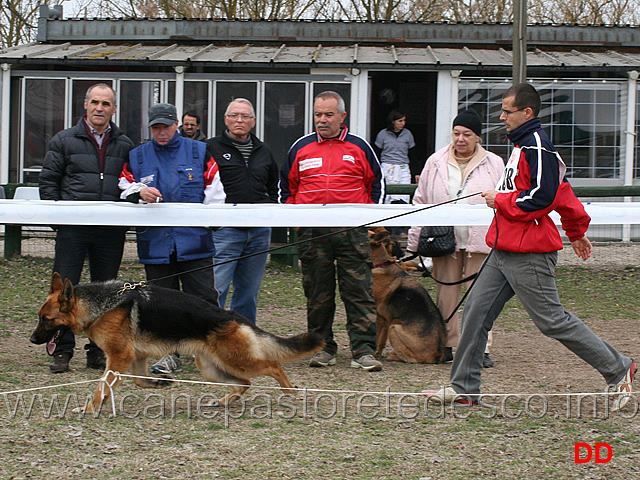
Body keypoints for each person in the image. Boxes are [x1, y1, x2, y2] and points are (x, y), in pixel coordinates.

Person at [424, 83, 635, 411]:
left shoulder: (536, 147)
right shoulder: (525, 146)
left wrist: (500, 200)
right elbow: (562, 192)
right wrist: (576, 231)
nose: (502, 116)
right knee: (476, 314)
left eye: (507, 110)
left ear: (527, 113)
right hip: (504, 249)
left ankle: (619, 367)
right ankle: (464, 387)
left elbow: (541, 198)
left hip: (530, 252)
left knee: (552, 320)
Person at [279, 90, 384, 372]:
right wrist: (296, 221)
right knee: (317, 294)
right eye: (317, 114)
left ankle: (363, 351)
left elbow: (376, 185)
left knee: (358, 292)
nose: (322, 120)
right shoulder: (300, 147)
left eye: (328, 114)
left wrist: (367, 219)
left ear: (342, 116)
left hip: (352, 232)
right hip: (313, 233)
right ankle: (322, 348)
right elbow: (287, 188)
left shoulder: (360, 146)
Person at [119, 103, 226, 374]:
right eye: (156, 127)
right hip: (156, 244)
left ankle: (216, 351)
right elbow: (122, 185)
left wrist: (210, 224)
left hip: (195, 244)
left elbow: (215, 191)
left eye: (166, 126)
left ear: (177, 124)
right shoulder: (137, 156)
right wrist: (139, 192)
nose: (161, 132)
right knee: (159, 303)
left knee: (204, 299)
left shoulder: (199, 151)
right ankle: (167, 354)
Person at [39, 83, 134, 374]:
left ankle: (98, 351)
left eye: (106, 104)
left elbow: (131, 184)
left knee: (106, 294)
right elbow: (48, 183)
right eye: (95, 102)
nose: (100, 108)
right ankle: (62, 351)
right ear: (85, 105)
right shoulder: (64, 139)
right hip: (73, 230)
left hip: (109, 231)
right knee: (63, 293)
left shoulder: (125, 144)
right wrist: (61, 223)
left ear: (114, 109)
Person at [407, 109, 504, 368]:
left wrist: (502, 238)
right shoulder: (436, 161)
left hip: (481, 241)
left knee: (480, 297)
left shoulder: (495, 163)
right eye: (457, 133)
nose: (460, 139)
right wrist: (414, 240)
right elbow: (422, 200)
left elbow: (505, 199)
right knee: (446, 295)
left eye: (467, 134)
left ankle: (479, 347)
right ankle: (447, 344)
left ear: (478, 137)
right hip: (443, 240)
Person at [205, 98, 278, 323]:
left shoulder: (264, 151)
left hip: (258, 231)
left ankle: (245, 342)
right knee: (216, 290)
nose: (239, 120)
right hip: (225, 230)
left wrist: (268, 215)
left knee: (248, 293)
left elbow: (273, 187)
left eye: (245, 116)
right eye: (234, 115)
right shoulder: (210, 148)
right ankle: (211, 338)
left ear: (253, 121)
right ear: (226, 119)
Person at [374, 110, 416, 204]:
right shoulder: (383, 134)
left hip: (403, 166)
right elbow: (376, 153)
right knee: (387, 195)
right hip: (387, 166)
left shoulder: (407, 134)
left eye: (404, 120)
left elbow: (412, 154)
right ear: (393, 121)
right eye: (400, 121)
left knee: (404, 195)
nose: (403, 123)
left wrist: (416, 172)